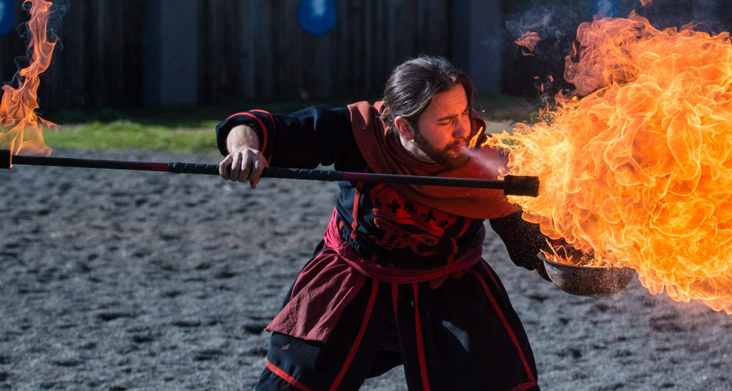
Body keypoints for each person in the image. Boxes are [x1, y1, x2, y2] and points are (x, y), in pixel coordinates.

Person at [217, 56, 549, 391]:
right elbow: (256, 127)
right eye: (446, 120)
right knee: (292, 384)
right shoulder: (359, 131)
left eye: (464, 112)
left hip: (450, 285)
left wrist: (564, 260)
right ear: (405, 127)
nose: (464, 128)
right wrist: (245, 149)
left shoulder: (486, 159)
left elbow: (526, 234)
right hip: (354, 280)